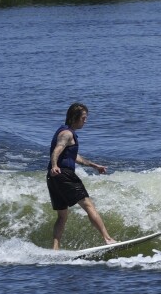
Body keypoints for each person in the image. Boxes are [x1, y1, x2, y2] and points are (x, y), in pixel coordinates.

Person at [46, 102, 115, 250]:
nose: (86, 121)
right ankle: (107, 239)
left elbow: (73, 156)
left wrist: (94, 166)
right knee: (89, 205)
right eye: (84, 118)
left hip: (53, 177)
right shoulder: (67, 134)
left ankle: (55, 249)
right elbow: (57, 151)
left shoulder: (64, 132)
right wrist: (55, 165)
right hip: (64, 175)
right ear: (74, 118)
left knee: (62, 216)